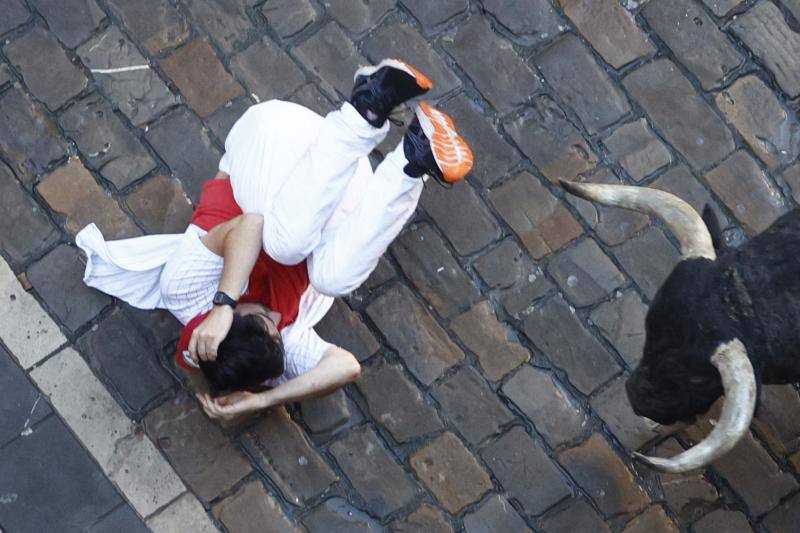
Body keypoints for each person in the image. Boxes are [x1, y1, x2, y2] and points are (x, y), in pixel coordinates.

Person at [76, 59, 473, 421]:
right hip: (337, 182)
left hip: (274, 146)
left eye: (262, 318)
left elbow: (249, 225)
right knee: (332, 279)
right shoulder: (272, 343)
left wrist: (222, 305)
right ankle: (413, 158)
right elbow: (346, 366)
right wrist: (263, 400)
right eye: (276, 330)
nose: (278, 321)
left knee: (284, 245)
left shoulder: (183, 292)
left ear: (229, 322)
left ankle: (366, 109)